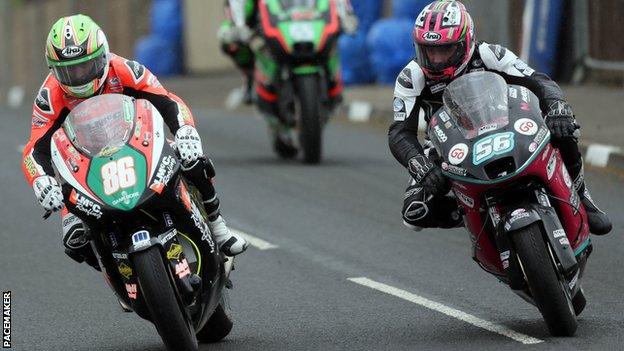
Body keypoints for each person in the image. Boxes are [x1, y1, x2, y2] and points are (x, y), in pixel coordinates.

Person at [22, 15, 249, 271]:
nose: (79, 77)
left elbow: (167, 101)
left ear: (103, 55)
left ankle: (218, 227)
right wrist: (41, 180)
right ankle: (117, 271)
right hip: (86, 163)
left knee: (193, 161)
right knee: (74, 238)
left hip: (139, 143)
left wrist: (185, 131)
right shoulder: (49, 96)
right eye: (69, 70)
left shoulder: (125, 69)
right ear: (53, 69)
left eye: (86, 66)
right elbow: (34, 148)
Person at [388, 0, 612, 235]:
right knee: (414, 214)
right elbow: (399, 132)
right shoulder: (410, 76)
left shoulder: (489, 54)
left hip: (507, 125)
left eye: (445, 49)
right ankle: (475, 214)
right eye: (429, 50)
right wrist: (420, 166)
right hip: (446, 144)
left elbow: (539, 80)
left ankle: (582, 197)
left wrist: (557, 107)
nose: (436, 59)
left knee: (563, 130)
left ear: (466, 41)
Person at [217, 0, 358, 157]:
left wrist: (346, 14)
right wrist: (238, 24)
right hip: (267, 26)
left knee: (340, 33)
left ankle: (331, 80)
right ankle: (250, 77)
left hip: (311, 24)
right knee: (229, 40)